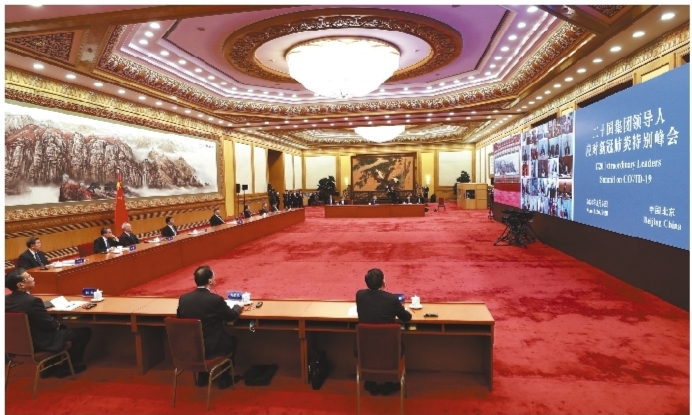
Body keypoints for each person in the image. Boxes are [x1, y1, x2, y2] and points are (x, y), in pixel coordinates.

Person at [5, 268, 92, 378]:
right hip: (39, 343)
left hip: (16, 345)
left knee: (63, 328)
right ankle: (67, 367)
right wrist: (57, 322)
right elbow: (49, 325)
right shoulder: (33, 301)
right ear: (20, 285)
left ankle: (49, 368)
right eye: (29, 277)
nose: (33, 278)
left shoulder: (5, 301)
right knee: (84, 332)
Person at [177, 265, 242, 389]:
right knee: (232, 341)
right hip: (211, 348)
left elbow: (180, 317)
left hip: (191, 348)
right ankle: (225, 378)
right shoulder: (215, 300)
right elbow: (231, 316)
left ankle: (202, 377)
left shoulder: (183, 299)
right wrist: (238, 306)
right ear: (210, 281)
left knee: (201, 337)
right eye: (213, 276)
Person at [355, 268, 412, 396]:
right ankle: (389, 382)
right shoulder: (391, 299)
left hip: (364, 350)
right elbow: (407, 317)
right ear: (383, 282)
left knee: (370, 348)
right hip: (389, 352)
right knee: (394, 348)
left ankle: (370, 381)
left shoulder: (360, 295)